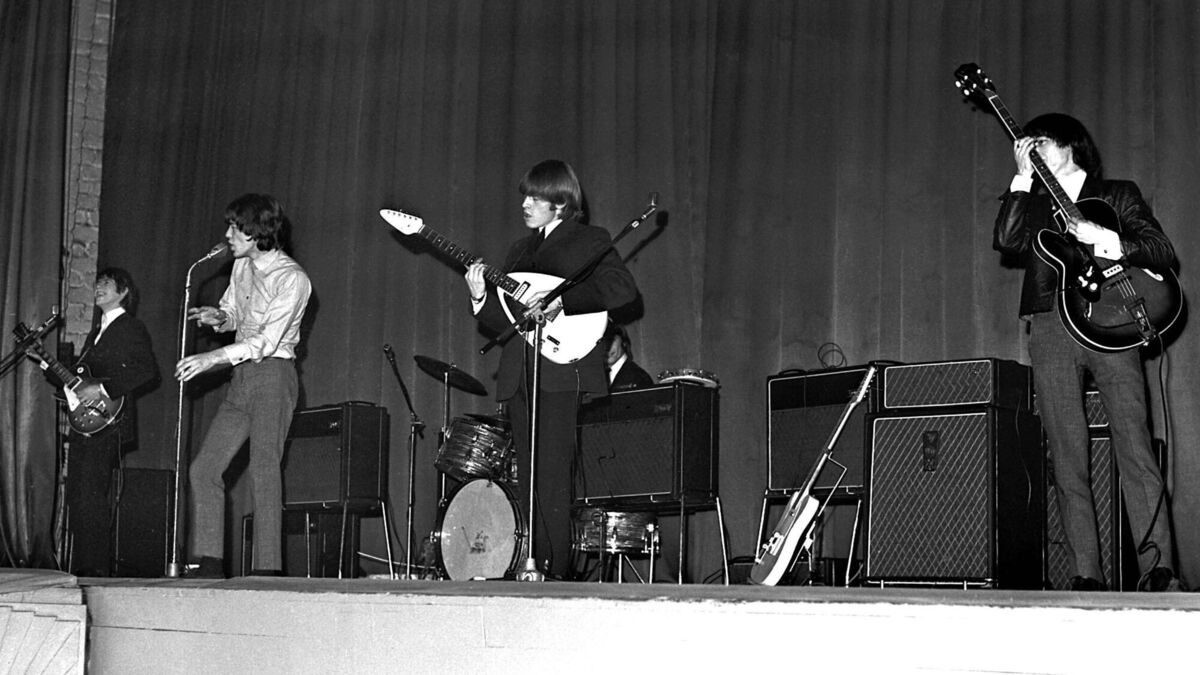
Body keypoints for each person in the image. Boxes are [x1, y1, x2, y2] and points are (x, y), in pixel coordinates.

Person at [993, 113, 1179, 591]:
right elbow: (1007, 241)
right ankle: (1085, 573)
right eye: (1025, 144)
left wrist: (1109, 240)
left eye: (1039, 142)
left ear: (1068, 145)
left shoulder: (1117, 192)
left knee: (1134, 445)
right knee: (1066, 453)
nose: (1031, 148)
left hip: (1114, 321)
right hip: (1052, 325)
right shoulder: (1032, 202)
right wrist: (1020, 181)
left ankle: (1157, 569)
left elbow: (1160, 250)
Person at [465, 160, 638, 579]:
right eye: (524, 196)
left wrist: (565, 302)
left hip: (562, 371)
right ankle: (532, 566)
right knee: (528, 478)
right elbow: (505, 324)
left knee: (553, 477)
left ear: (560, 203)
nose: (525, 204)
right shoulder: (518, 252)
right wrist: (479, 297)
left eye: (535, 197)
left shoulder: (588, 240)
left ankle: (553, 570)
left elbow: (622, 289)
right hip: (521, 372)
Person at [175, 193, 311, 578]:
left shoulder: (293, 279)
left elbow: (266, 341)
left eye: (235, 227)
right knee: (204, 469)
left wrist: (211, 358)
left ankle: (267, 569)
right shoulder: (241, 266)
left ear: (256, 232)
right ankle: (211, 562)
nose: (228, 234)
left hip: (273, 374)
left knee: (264, 467)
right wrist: (219, 317)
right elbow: (235, 314)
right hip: (243, 378)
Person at [63, 267, 160, 576]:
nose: (98, 287)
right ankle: (81, 568)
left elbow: (147, 370)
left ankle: (93, 571)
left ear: (123, 292)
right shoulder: (95, 333)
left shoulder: (131, 327)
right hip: (87, 423)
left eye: (106, 283)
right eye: (97, 282)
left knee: (91, 494)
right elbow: (83, 379)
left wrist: (103, 388)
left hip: (109, 423)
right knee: (78, 493)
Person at [602, 322, 654, 391]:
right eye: (603, 342)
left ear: (624, 342)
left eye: (612, 340)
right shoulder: (597, 378)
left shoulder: (639, 377)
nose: (607, 347)